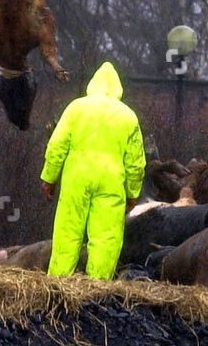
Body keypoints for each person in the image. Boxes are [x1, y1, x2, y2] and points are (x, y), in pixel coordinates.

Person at [40, 61, 145, 279]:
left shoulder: (76, 108)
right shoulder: (128, 116)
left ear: (92, 84)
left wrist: (49, 178)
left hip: (76, 179)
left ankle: (58, 282)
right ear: (118, 88)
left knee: (67, 231)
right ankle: (97, 284)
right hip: (111, 182)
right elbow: (136, 163)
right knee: (106, 236)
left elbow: (56, 146)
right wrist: (133, 193)